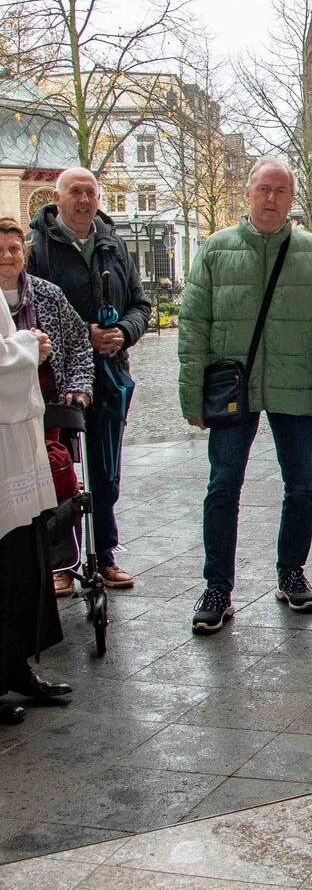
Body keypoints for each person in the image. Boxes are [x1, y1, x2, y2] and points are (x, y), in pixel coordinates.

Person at [176, 157, 312, 634]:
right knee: (222, 486)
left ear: (291, 199)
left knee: (303, 486)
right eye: (263, 189)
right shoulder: (215, 250)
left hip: (295, 386)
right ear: (247, 194)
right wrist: (194, 398)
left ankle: (291, 572)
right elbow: (193, 327)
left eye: (281, 191)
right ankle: (218, 586)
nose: (271, 198)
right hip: (234, 389)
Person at [27, 167, 149, 593]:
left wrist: (124, 332)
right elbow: (31, 307)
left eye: (91, 192)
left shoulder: (114, 246)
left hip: (111, 374)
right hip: (57, 379)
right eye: (75, 192)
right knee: (59, 468)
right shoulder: (38, 248)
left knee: (105, 468)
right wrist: (84, 332)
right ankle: (63, 560)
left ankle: (106, 554)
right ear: (57, 198)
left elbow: (140, 303)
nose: (84, 199)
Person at [1, 218, 72, 724]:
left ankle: (17, 667)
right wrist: (29, 346)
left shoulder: (40, 292)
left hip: (17, 446)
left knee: (23, 564)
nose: (8, 256)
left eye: (13, 248)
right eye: (0, 249)